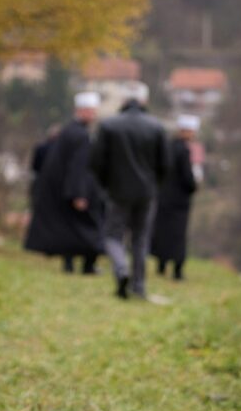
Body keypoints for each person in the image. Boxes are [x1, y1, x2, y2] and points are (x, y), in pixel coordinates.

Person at [90, 85, 170, 299]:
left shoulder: (108, 125)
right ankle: (139, 286)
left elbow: (96, 162)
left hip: (117, 191)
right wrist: (154, 187)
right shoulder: (156, 127)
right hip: (147, 192)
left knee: (112, 236)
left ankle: (121, 268)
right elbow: (165, 164)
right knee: (141, 239)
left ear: (123, 101)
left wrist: (106, 185)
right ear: (144, 100)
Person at [24, 92, 104, 274]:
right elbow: (78, 167)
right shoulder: (80, 135)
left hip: (64, 188)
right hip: (75, 190)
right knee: (86, 228)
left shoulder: (69, 131)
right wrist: (79, 194)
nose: (93, 115)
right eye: (90, 111)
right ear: (81, 111)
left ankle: (70, 263)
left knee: (69, 228)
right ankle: (87, 265)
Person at [151, 114, 200, 281]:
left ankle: (161, 265)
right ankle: (177, 271)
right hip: (179, 202)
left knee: (163, 233)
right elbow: (188, 178)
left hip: (164, 198)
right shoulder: (184, 150)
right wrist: (194, 186)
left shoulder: (168, 146)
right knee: (178, 236)